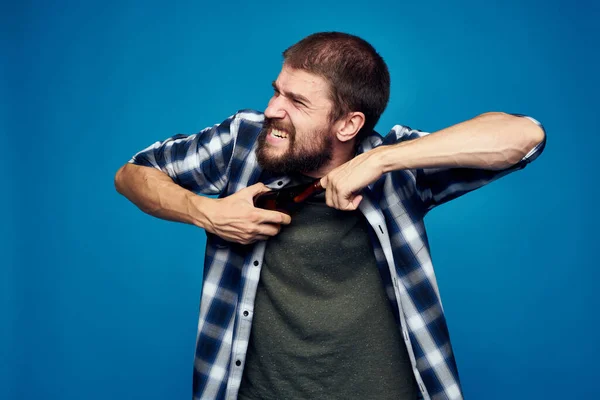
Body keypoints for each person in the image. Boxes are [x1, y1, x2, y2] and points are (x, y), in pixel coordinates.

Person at [115, 32, 546, 400]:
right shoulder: (242, 143)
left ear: (347, 125)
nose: (272, 109)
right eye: (277, 90)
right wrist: (208, 213)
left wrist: (383, 161)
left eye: (296, 101)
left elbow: (525, 136)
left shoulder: (398, 168)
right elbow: (132, 174)